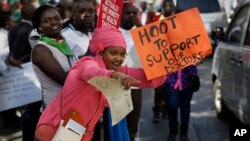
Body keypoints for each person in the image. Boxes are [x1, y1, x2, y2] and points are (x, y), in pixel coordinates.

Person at [34, 26, 167, 141]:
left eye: (122, 55)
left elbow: (147, 79)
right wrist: (113, 75)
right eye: (113, 53)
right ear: (101, 51)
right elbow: (93, 72)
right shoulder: (87, 63)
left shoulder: (116, 70)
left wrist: (165, 66)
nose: (118, 59)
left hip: (78, 134)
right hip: (54, 129)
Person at [162, 1, 199, 141]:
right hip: (171, 79)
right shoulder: (166, 37)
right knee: (171, 106)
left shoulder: (191, 37)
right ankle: (173, 130)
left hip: (188, 77)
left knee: (185, 107)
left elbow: (199, 57)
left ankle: (184, 133)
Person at [7, 2, 42, 140]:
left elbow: (12, 53)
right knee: (32, 113)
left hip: (18, 77)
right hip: (30, 78)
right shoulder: (31, 32)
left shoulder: (13, 28)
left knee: (27, 112)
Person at [119, 2, 143, 141]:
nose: (131, 16)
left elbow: (152, 45)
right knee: (117, 125)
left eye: (134, 13)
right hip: (117, 85)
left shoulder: (140, 32)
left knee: (132, 125)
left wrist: (140, 26)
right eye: (128, 13)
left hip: (136, 86)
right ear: (120, 15)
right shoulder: (114, 32)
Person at [152, 0, 176, 123]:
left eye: (170, 5)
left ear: (173, 7)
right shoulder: (156, 18)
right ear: (162, 7)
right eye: (166, 5)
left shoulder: (177, 20)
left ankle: (166, 110)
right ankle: (157, 110)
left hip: (173, 59)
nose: (168, 7)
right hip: (159, 59)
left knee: (169, 87)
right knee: (159, 87)